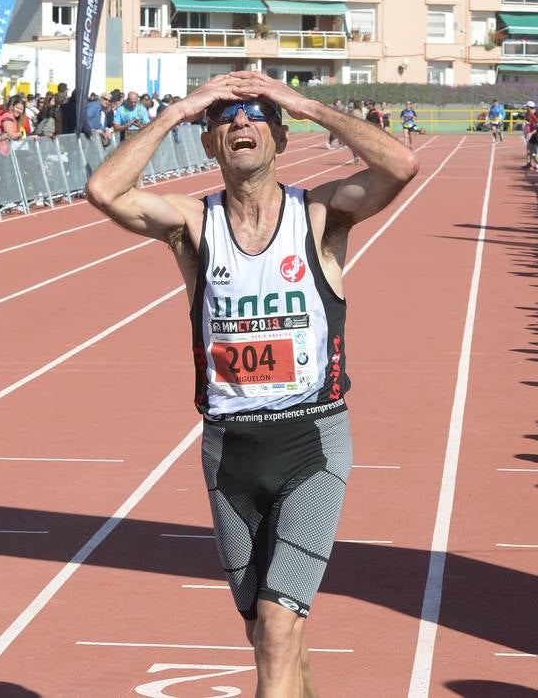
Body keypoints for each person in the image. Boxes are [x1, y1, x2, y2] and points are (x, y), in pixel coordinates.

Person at [84, 70, 418, 698]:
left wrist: (303, 102)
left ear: (281, 137)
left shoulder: (319, 215)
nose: (240, 122)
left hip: (311, 445)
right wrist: (178, 110)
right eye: (224, 118)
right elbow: (103, 189)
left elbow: (400, 164)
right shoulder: (193, 224)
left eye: (257, 114)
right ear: (210, 144)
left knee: (277, 633)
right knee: (270, 634)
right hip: (228, 451)